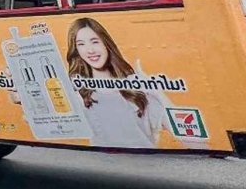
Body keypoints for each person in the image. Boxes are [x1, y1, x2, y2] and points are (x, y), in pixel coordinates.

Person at [65, 17, 171, 149]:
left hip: (143, 161)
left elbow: (189, 137)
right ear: (77, 50)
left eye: (95, 41)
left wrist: (157, 92)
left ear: (106, 43)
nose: (90, 50)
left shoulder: (138, 92)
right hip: (101, 162)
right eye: (81, 44)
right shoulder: (79, 97)